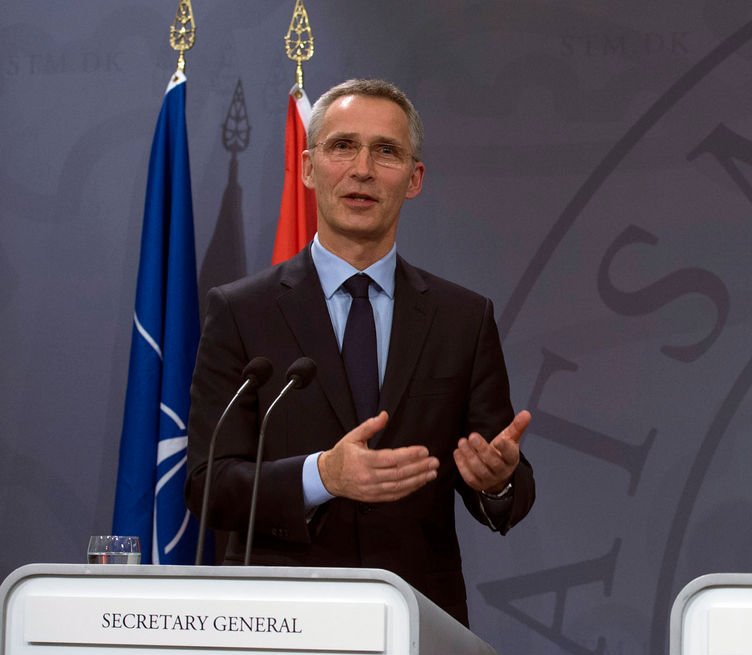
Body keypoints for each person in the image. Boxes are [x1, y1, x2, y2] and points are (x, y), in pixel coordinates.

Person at [185, 78, 534, 626]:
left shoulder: (463, 318)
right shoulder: (240, 312)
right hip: (278, 619)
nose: (363, 169)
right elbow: (209, 487)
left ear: (414, 179)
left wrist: (498, 480)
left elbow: (500, 478)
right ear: (307, 167)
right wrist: (322, 475)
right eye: (342, 146)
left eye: (386, 152)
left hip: (418, 622)